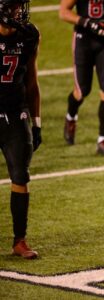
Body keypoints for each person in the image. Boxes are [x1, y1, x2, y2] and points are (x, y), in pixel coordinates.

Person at [0, 0, 42, 259]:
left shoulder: (28, 35)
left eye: (19, 6)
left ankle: (19, 240)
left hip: (16, 115)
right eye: (13, 6)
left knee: (20, 175)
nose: (18, 11)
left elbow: (31, 80)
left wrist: (36, 122)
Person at [59, 0, 104, 156]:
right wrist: (87, 22)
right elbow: (63, 12)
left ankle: (102, 140)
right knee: (82, 91)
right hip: (84, 40)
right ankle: (71, 116)